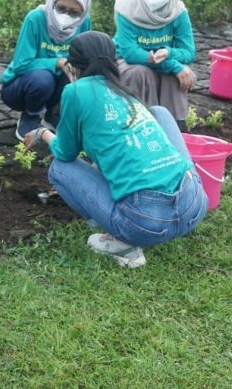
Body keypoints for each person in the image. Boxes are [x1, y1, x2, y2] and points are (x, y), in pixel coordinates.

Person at [24, 31, 207, 268]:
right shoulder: (122, 90)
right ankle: (184, 188)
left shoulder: (75, 91)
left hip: (146, 221)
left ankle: (122, 242)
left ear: (72, 67)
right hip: (194, 205)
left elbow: (65, 153)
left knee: (59, 168)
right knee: (159, 112)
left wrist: (42, 133)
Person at [0, 0, 91, 141]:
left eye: (74, 12)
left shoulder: (84, 24)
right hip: (22, 87)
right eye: (61, 8)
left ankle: (54, 113)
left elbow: (83, 58)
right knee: (43, 78)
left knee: (76, 71)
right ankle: (31, 115)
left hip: (57, 88)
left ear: (83, 12)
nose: (65, 15)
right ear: (54, 0)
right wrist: (57, 62)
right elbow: (21, 65)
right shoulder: (36, 19)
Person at [113, 0, 196, 130]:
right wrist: (172, 64)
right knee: (141, 73)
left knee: (175, 77)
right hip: (126, 61)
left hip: (159, 59)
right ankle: (140, 125)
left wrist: (168, 52)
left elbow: (188, 51)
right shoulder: (127, 8)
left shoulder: (178, 12)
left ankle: (174, 128)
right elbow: (130, 54)